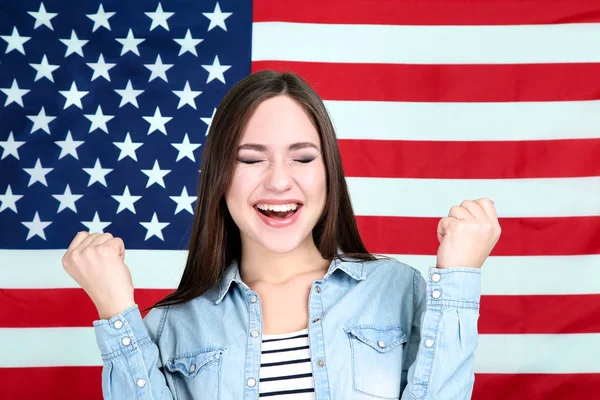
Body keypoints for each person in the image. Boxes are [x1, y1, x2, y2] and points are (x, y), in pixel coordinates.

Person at [62, 70, 501, 400]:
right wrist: (116, 310)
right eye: (251, 159)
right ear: (220, 176)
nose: (278, 182)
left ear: (329, 173)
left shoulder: (400, 289)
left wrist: (459, 277)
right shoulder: (170, 326)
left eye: (303, 158)